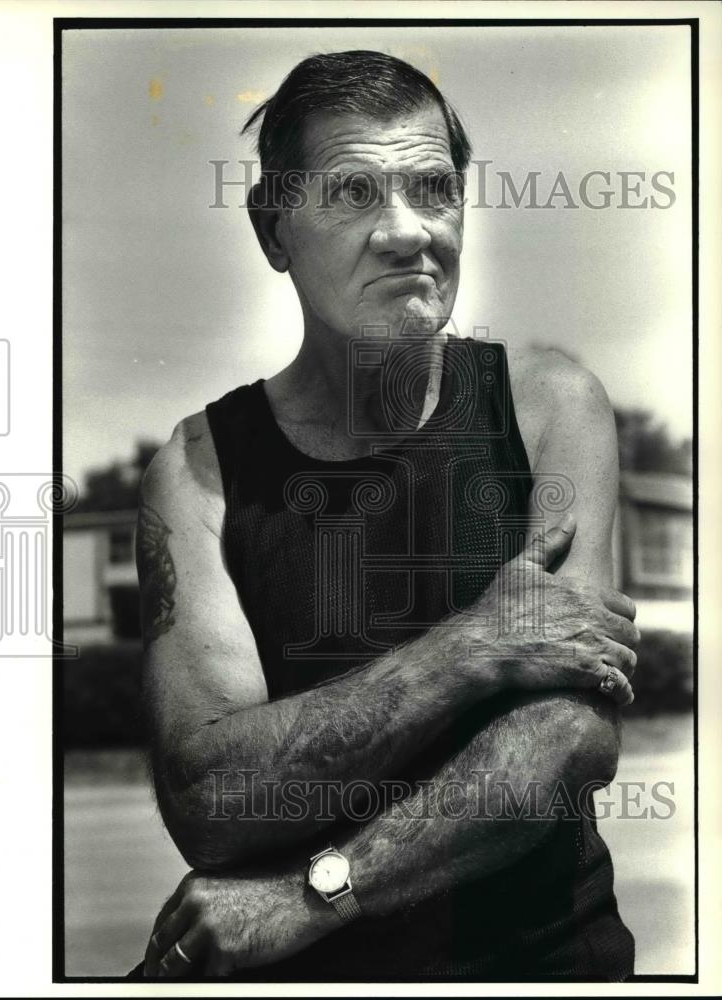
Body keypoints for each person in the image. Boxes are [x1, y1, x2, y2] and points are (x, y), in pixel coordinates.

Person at [131, 50, 639, 982]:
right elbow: (208, 794)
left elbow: (566, 737)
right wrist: (473, 648)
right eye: (354, 194)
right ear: (272, 229)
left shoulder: (545, 409)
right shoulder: (198, 474)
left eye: (434, 190)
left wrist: (308, 896)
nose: (409, 232)